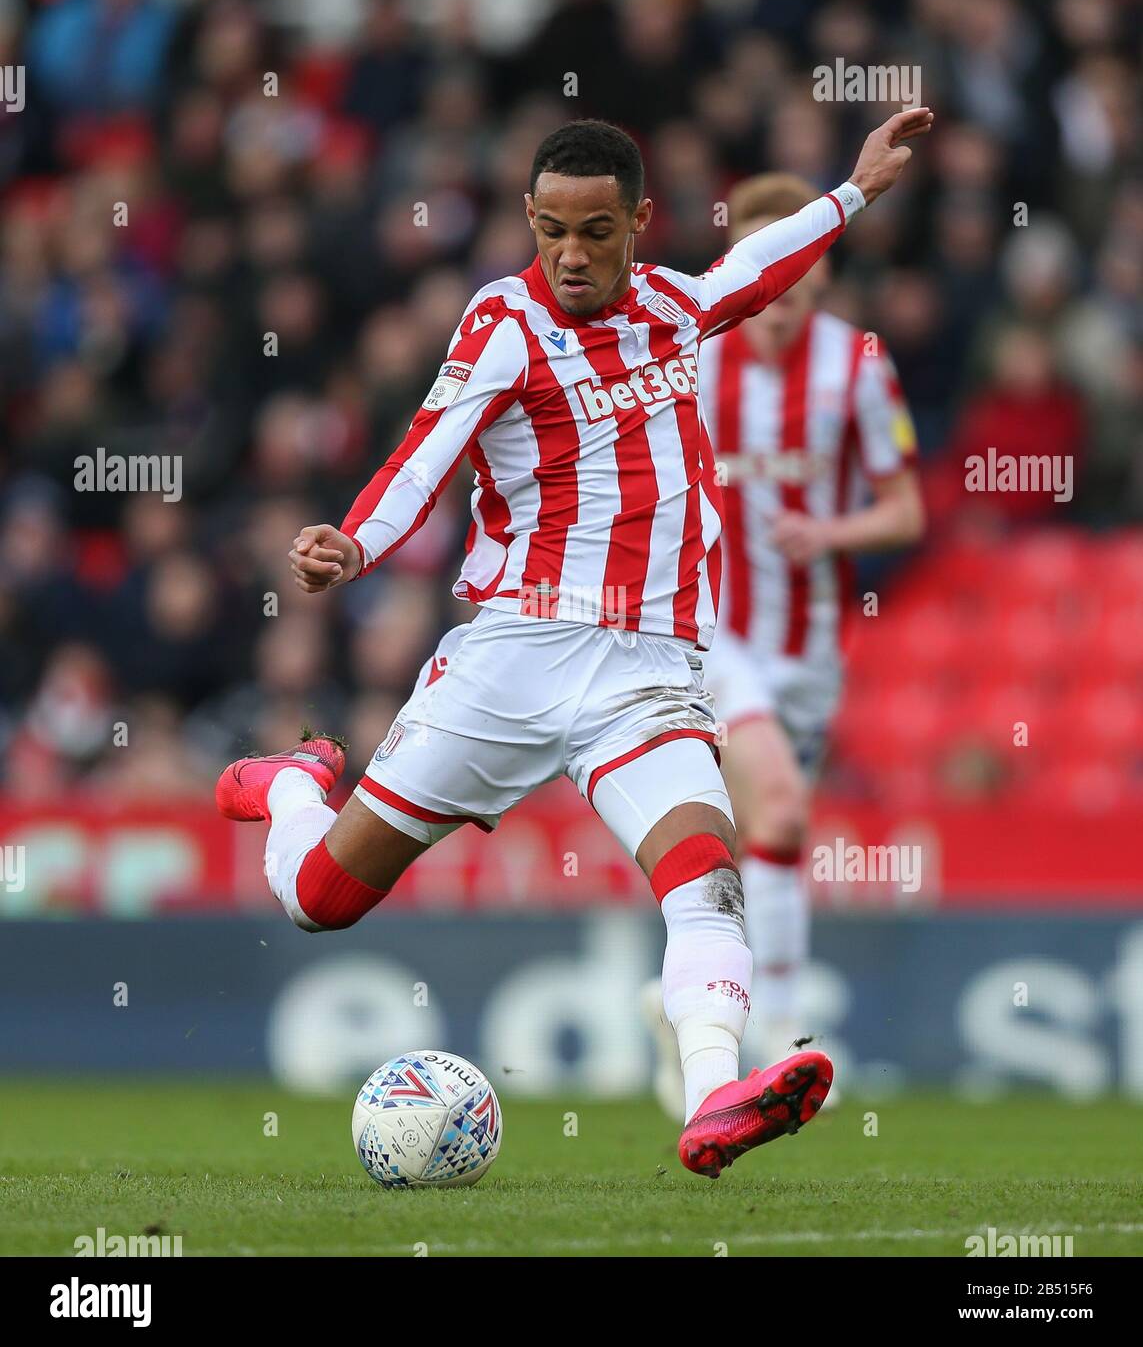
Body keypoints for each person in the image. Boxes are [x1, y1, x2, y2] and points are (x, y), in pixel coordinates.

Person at [215, 109, 933, 1177]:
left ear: (639, 222)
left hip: (646, 672)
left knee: (706, 876)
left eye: (596, 231)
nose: (573, 254)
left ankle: (712, 1097)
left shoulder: (676, 308)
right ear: (529, 220)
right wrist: (353, 545)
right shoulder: (503, 323)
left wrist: (857, 190)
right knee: (319, 898)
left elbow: (759, 264)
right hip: (512, 660)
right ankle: (291, 787)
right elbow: (427, 451)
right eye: (552, 228)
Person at [642, 172, 926, 1119]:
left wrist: (829, 535)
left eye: (795, 283)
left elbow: (905, 510)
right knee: (773, 798)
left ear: (816, 272)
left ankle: (693, 1011)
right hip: (708, 632)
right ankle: (787, 1034)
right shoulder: (692, 355)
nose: (775, 306)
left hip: (807, 645)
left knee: (770, 832)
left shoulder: (857, 366)